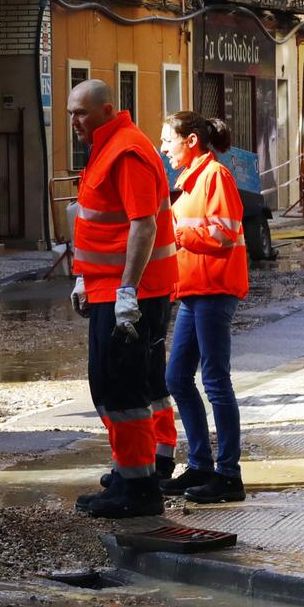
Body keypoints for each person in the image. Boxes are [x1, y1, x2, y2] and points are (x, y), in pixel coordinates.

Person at [65, 80, 178, 519]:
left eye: (81, 113)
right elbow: (100, 225)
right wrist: (83, 278)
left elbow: (142, 225)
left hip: (130, 295)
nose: (74, 121)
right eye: (71, 113)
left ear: (107, 110)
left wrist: (127, 289)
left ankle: (139, 489)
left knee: (123, 388)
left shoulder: (126, 151)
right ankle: (129, 476)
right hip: (109, 289)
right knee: (112, 385)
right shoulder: (107, 146)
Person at [160, 113, 249, 504]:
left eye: (168, 140)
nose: (164, 148)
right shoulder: (190, 180)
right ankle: (200, 465)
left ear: (190, 140)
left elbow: (224, 233)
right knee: (178, 377)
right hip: (195, 290)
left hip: (215, 289)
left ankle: (228, 476)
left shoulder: (215, 177)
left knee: (214, 380)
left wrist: (174, 233)